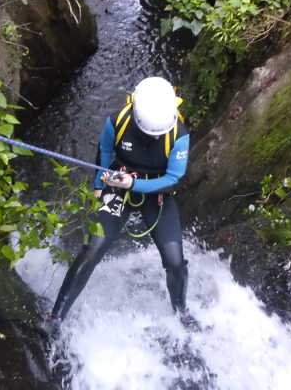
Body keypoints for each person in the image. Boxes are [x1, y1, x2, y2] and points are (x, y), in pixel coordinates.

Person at [47, 76, 198, 331]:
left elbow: (173, 179)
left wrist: (133, 185)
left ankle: (181, 310)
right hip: (118, 184)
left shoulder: (178, 135)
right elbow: (105, 152)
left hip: (155, 190)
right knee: (92, 249)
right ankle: (56, 315)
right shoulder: (118, 120)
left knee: (174, 260)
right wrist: (99, 185)